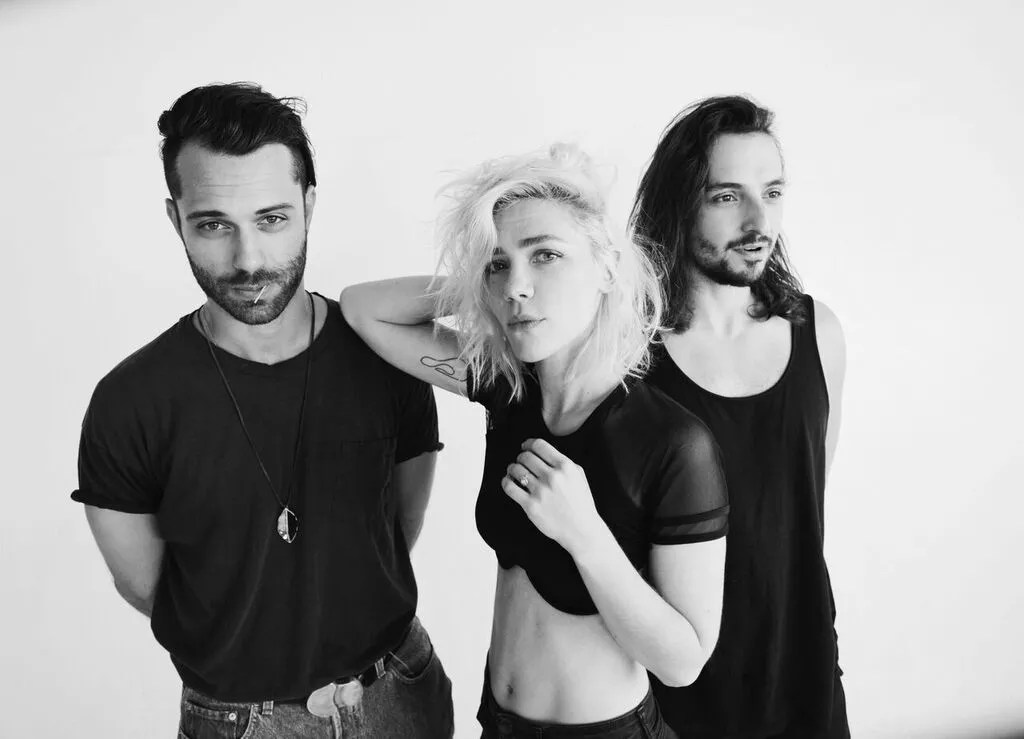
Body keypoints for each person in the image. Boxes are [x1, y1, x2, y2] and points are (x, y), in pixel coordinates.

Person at [71, 82, 453, 738]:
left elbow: (399, 525)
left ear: (309, 206)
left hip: (401, 692)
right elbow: (146, 587)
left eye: (272, 219)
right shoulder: (129, 402)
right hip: (239, 719)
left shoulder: (385, 359)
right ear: (175, 219)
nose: (248, 261)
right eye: (214, 225)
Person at [341, 144, 729, 738]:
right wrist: (482, 290)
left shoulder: (675, 442)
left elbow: (683, 663)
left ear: (607, 269)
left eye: (545, 255)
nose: (516, 287)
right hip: (497, 724)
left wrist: (585, 535)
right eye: (498, 264)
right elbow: (363, 309)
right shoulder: (508, 391)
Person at [630, 95, 849, 738]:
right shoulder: (626, 355)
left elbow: (804, 511)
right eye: (727, 196)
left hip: (805, 680)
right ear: (678, 204)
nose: (759, 221)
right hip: (673, 696)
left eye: (772, 193)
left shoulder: (818, 333)